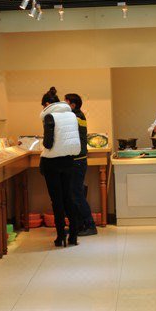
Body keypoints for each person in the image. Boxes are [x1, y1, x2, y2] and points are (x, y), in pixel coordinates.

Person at [39, 87, 80, 247]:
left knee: (56, 200)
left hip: (52, 163)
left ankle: (61, 236)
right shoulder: (71, 115)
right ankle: (74, 235)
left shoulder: (49, 117)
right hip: (69, 161)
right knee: (68, 197)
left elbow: (48, 143)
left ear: (47, 104)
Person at [64, 93, 98, 237]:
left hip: (77, 160)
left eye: (66, 103)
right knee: (75, 194)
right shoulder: (78, 116)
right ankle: (78, 225)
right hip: (78, 159)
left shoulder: (75, 118)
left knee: (77, 194)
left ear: (73, 105)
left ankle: (90, 225)